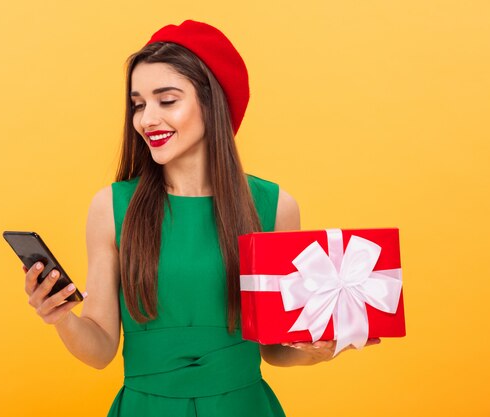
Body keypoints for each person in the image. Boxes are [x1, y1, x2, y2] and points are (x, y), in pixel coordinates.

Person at [22, 19, 380, 417]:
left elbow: (277, 350)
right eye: (138, 104)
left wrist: (321, 350)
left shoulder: (275, 206)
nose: (147, 119)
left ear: (212, 102)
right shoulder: (111, 207)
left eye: (167, 100)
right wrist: (61, 317)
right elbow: (100, 349)